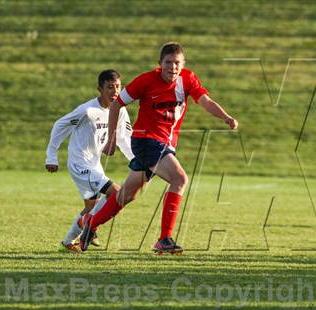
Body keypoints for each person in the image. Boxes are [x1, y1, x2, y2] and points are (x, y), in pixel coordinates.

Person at [80, 42, 238, 254]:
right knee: (179, 179)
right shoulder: (146, 81)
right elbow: (117, 104)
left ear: (183, 64)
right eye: (168, 63)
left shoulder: (187, 79)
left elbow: (205, 101)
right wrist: (111, 138)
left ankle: (91, 222)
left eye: (177, 63)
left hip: (163, 143)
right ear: (159, 64)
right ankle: (164, 238)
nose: (173, 67)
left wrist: (226, 117)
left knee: (127, 195)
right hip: (146, 140)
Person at [46, 69, 134, 254]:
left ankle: (68, 242)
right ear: (99, 89)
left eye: (118, 86)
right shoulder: (87, 110)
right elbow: (59, 125)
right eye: (109, 87)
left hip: (94, 166)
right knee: (117, 193)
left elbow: (124, 139)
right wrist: (51, 156)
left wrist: (136, 160)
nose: (115, 91)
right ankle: (89, 225)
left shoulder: (121, 111)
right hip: (79, 165)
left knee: (91, 207)